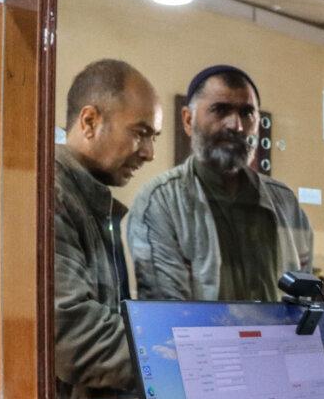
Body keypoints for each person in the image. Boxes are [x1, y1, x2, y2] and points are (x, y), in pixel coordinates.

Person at [0, 59, 161, 399]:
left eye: (154, 137)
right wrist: (180, 357)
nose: (149, 152)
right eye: (140, 132)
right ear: (89, 121)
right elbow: (74, 338)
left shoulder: (80, 200)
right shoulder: (38, 197)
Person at [127, 65, 312, 302]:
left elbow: (302, 299)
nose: (236, 125)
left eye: (247, 113)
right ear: (187, 119)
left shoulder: (285, 203)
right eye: (220, 110)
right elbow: (168, 314)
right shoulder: (160, 202)